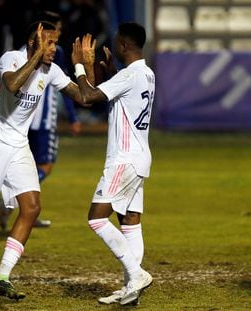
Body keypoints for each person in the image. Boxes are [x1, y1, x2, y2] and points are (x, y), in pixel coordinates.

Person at [0, 22, 95, 300]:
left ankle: (2, 277)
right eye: (50, 43)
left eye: (56, 44)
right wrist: (35, 56)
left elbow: (85, 97)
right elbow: (12, 84)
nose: (55, 49)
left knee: (31, 208)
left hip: (18, 143)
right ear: (34, 42)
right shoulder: (11, 58)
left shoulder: (52, 71)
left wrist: (84, 67)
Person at [71, 22, 154, 305]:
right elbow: (125, 94)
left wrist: (80, 66)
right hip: (140, 156)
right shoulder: (146, 73)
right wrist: (111, 73)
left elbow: (87, 96)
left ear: (124, 46)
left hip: (123, 159)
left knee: (96, 218)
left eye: (117, 42)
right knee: (130, 221)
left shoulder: (130, 75)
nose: (115, 45)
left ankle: (136, 273)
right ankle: (132, 289)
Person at [0, 10, 82, 230]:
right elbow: (66, 89)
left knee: (28, 165)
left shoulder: (23, 53)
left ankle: (24, 206)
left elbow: (74, 89)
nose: (58, 38)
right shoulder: (51, 54)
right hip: (42, 120)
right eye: (56, 31)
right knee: (45, 166)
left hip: (23, 121)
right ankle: (13, 200)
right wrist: (73, 117)